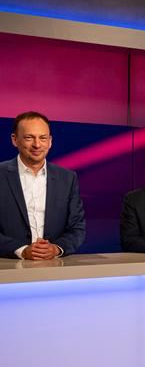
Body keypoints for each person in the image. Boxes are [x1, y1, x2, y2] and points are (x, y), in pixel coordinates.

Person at [0, 111, 85, 259]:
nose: (37, 144)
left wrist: (56, 249)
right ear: (14, 140)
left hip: (53, 269)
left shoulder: (67, 178)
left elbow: (77, 228)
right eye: (29, 138)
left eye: (43, 138)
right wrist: (21, 250)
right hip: (7, 268)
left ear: (50, 141)